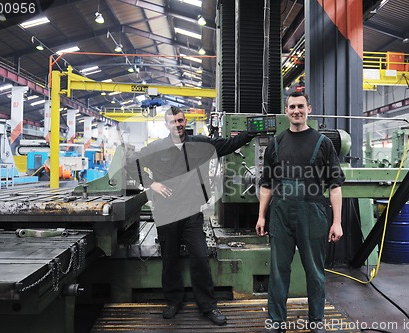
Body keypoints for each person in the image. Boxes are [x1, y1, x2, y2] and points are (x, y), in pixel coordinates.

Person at [129, 106, 253, 326]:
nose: (177, 125)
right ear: (166, 125)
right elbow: (132, 163)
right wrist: (150, 184)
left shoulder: (201, 145)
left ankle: (208, 305)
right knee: (170, 260)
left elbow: (228, 144)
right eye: (172, 122)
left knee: (200, 257)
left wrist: (251, 131)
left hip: (191, 213)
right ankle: (173, 301)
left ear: (185, 121)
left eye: (180, 120)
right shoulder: (156, 148)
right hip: (166, 214)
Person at [255, 91, 345, 333]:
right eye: (292, 107)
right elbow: (266, 185)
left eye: (300, 106)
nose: (296, 111)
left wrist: (337, 222)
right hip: (280, 215)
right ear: (286, 111)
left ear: (309, 108)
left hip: (313, 214)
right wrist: (262, 215)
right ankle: (276, 322)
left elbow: (335, 186)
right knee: (278, 271)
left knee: (315, 272)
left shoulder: (323, 143)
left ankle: (316, 322)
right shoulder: (276, 143)